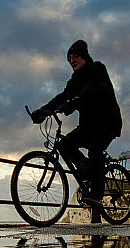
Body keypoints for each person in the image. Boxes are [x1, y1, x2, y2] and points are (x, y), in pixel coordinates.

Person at [31, 40, 122, 217]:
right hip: (88, 126)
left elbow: (91, 90)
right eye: (69, 59)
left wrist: (74, 102)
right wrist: (44, 110)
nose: (72, 61)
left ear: (84, 56)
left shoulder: (97, 69)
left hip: (107, 123)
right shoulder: (75, 79)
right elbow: (63, 96)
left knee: (95, 149)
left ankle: (96, 194)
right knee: (64, 144)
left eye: (75, 57)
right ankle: (87, 170)